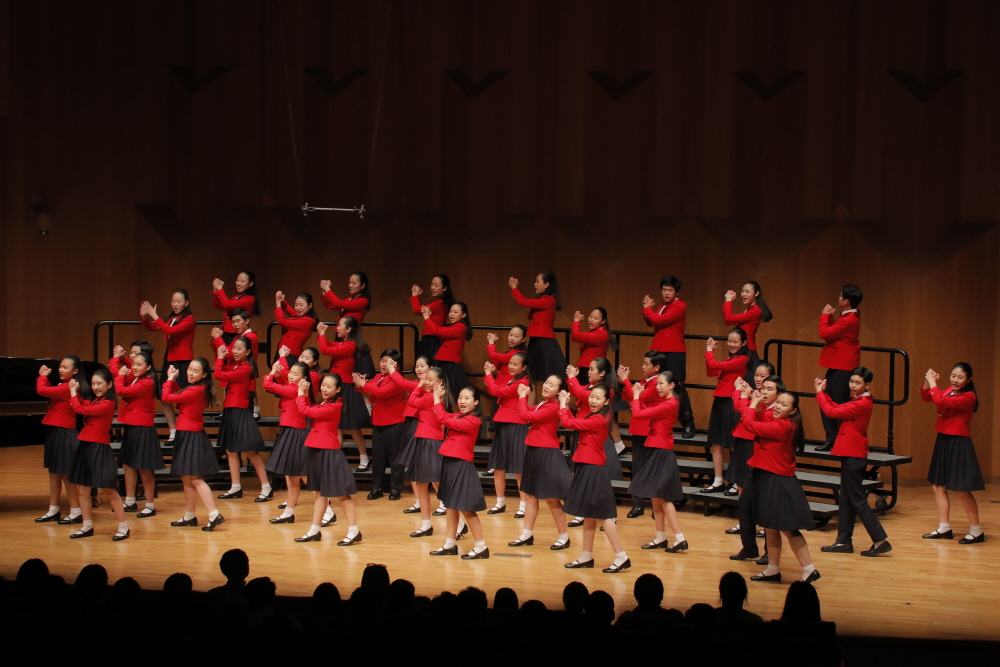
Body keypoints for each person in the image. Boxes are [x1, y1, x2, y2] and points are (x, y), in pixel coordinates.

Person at [740, 391, 821, 583]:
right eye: (778, 402)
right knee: (770, 527)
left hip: (777, 481)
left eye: (783, 405)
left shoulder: (783, 426)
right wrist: (748, 399)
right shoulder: (781, 421)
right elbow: (759, 417)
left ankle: (809, 569)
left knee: (788, 529)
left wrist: (753, 404)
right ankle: (772, 569)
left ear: (793, 410)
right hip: (767, 477)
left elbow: (750, 425)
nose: (777, 406)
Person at [815, 367, 890, 556]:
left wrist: (819, 394)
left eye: (857, 382)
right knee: (847, 499)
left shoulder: (862, 403)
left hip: (854, 454)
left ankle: (880, 540)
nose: (853, 385)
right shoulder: (857, 399)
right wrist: (825, 394)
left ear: (867, 385)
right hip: (851, 453)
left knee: (856, 498)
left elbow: (831, 411)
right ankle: (843, 541)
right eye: (851, 381)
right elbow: (837, 408)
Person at [558, 386, 630, 573]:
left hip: (593, 469)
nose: (592, 401)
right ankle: (586, 556)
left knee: (603, 516)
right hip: (587, 466)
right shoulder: (597, 416)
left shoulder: (599, 419)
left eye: (598, 398)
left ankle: (621, 556)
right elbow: (575, 421)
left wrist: (563, 404)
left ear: (606, 402)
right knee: (588, 514)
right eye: (591, 397)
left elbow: (568, 423)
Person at [920, 363, 986, 544]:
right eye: (953, 376)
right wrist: (928, 381)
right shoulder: (950, 390)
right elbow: (927, 397)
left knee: (962, 489)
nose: (955, 380)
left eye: (960, 377)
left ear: (968, 380)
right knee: (938, 485)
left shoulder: (969, 396)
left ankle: (976, 531)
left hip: (959, 441)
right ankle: (944, 528)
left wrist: (933, 383)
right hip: (944, 438)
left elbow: (940, 401)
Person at [293, 373, 361, 545]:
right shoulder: (325, 402)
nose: (324, 389)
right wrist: (304, 393)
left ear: (338, 390)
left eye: (329, 386)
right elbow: (308, 409)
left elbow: (305, 410)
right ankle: (314, 530)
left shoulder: (335, 405)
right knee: (320, 494)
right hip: (317, 450)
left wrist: (301, 392)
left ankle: (354, 531)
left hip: (329, 452)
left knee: (342, 494)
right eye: (323, 385)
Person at [161, 358, 226, 531]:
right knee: (186, 477)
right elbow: (180, 395)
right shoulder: (196, 388)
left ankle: (213, 514)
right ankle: (190, 515)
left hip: (191, 434)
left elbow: (166, 397)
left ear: (204, 375)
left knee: (195, 478)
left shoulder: (196, 390)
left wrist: (169, 379)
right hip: (187, 433)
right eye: (190, 369)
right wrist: (174, 381)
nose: (190, 373)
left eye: (195, 371)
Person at [628, 371, 689, 552]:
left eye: (661, 383)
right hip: (656, 447)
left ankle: (679, 538)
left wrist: (636, 396)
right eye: (657, 383)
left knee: (663, 498)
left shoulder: (671, 403)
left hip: (661, 451)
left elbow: (638, 414)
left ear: (671, 385)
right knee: (655, 495)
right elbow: (645, 411)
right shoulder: (667, 402)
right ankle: (660, 537)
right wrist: (639, 397)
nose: (657, 387)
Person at [66, 368, 129, 540]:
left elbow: (80, 410)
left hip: (99, 448)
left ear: (109, 385)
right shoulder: (97, 400)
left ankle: (123, 527)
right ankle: (87, 526)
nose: (95, 387)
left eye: (99, 383)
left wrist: (72, 393)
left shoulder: (108, 402)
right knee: (82, 488)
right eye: (93, 383)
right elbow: (85, 405)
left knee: (109, 490)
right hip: (86, 445)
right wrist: (76, 392)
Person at [429, 385, 490, 559]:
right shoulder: (459, 416)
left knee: (466, 509)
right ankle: (450, 544)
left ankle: (481, 547)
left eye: (467, 398)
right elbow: (441, 415)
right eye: (460, 397)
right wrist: (440, 398)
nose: (462, 401)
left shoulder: (473, 421)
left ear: (476, 402)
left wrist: (436, 397)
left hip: (461, 465)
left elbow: (442, 417)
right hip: (450, 463)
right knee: (450, 505)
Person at [511, 377, 572, 549]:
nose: (546, 386)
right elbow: (523, 411)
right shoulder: (543, 404)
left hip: (547, 453)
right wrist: (522, 399)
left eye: (552, 385)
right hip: (534, 451)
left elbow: (525, 415)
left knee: (551, 499)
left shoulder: (554, 406)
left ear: (559, 391)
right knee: (530, 496)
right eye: (546, 383)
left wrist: (522, 396)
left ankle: (564, 537)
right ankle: (526, 534)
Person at [729, 374, 786, 561]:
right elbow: (745, 412)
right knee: (745, 504)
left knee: (767, 510)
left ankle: (770, 553)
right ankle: (749, 549)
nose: (764, 392)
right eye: (763, 388)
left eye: (770, 389)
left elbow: (749, 420)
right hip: (757, 464)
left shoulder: (775, 413)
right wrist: (744, 396)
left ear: (779, 394)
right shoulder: (764, 408)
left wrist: (747, 399)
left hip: (769, 467)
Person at [214, 337, 270, 501]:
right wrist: (221, 350)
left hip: (240, 410)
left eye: (239, 348)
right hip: (230, 409)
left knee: (249, 451)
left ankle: (266, 487)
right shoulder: (235, 365)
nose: (235, 351)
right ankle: (235, 487)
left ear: (248, 351)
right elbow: (224, 366)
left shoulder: (246, 368)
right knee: (230, 450)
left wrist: (219, 357)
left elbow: (218, 374)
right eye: (234, 348)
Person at [398, 367, 449, 536]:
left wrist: (418, 385)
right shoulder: (432, 396)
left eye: (430, 379)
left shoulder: (430, 397)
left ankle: (459, 523)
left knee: (437, 482)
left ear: (439, 382)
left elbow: (412, 400)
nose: (426, 382)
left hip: (431, 441)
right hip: (422, 439)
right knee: (421, 484)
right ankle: (426, 525)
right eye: (425, 379)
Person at [140, 290, 195, 444]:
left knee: (184, 396)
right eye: (173, 301)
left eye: (179, 301)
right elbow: (154, 327)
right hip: (169, 360)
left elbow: (170, 330)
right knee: (164, 396)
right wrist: (144, 317)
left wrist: (154, 315)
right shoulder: (171, 318)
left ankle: (185, 429)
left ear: (186, 303)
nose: (175, 304)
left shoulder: (189, 319)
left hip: (183, 361)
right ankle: (173, 431)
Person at [642, 276, 694, 438]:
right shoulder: (662, 306)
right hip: (659, 351)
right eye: (664, 289)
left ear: (676, 292)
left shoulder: (680, 306)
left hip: (674, 352)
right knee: (656, 386)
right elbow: (652, 323)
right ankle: (659, 422)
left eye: (670, 290)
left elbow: (658, 320)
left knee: (677, 387)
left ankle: (688, 423)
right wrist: (647, 310)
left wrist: (648, 309)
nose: (666, 293)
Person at [317, 316, 371, 471]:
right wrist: (322, 336)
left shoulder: (351, 345)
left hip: (346, 388)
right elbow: (328, 345)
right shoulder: (343, 343)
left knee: (352, 426)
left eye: (339, 325)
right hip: (336, 386)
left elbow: (325, 349)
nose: (336, 327)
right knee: (337, 426)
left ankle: (364, 458)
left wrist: (322, 334)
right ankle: (335, 460)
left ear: (348, 329)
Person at [34, 356, 83, 524]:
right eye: (60, 366)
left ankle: (76, 512)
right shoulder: (64, 386)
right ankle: (53, 510)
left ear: (75, 371)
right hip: (55, 431)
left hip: (65, 433)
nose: (61, 370)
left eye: (65, 367)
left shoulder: (69, 387)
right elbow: (49, 391)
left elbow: (42, 390)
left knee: (66, 474)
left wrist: (42, 376)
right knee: (54, 473)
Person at [619, 351, 667, 518]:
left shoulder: (656, 384)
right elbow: (629, 396)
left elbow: (638, 398)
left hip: (650, 431)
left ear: (657, 367)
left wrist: (625, 380)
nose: (643, 366)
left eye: (647, 364)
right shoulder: (644, 381)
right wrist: (624, 382)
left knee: (652, 469)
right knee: (638, 468)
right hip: (639, 429)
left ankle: (656, 507)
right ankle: (637, 505)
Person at [355, 349, 408, 500]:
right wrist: (360, 383)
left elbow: (381, 393)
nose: (384, 364)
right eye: (382, 360)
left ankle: (395, 488)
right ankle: (377, 487)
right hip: (378, 422)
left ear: (396, 365)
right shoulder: (379, 376)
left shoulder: (397, 379)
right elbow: (368, 389)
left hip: (395, 422)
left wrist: (364, 384)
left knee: (395, 458)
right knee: (378, 458)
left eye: (388, 362)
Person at [114, 351, 162, 517]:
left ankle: (150, 505)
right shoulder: (137, 378)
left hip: (143, 428)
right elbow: (116, 374)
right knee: (128, 464)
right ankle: (130, 501)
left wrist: (120, 375)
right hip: (132, 426)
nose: (134, 367)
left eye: (138, 365)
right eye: (133, 364)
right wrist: (118, 358)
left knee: (144, 468)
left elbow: (120, 390)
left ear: (148, 367)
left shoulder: (147, 383)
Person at [815, 285, 862, 451]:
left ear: (846, 301)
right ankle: (833, 438)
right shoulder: (849, 317)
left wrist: (824, 316)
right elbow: (832, 334)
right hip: (839, 365)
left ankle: (837, 439)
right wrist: (829, 318)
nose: (839, 298)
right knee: (827, 399)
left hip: (843, 366)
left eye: (841, 296)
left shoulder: (848, 320)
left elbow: (824, 334)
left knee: (837, 403)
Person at [483, 354, 531, 516]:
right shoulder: (513, 380)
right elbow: (497, 388)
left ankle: (523, 505)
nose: (511, 366)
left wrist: (488, 374)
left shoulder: (522, 382)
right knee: (498, 466)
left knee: (519, 468)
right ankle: (500, 502)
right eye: (510, 363)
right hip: (503, 423)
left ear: (524, 368)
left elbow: (495, 390)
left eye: (515, 364)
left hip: (516, 425)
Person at [264, 360, 311, 523]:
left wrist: (272, 372)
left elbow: (268, 385)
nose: (290, 375)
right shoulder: (295, 387)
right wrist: (282, 366)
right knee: (292, 476)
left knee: (303, 475)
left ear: (303, 378)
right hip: (290, 431)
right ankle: (288, 513)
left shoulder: (294, 389)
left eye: (295, 374)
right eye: (290, 372)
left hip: (296, 433)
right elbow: (284, 378)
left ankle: (327, 511)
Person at [702, 328, 749, 492]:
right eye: (729, 341)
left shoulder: (742, 359)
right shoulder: (730, 358)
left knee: (733, 444)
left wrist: (709, 351)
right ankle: (718, 480)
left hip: (731, 402)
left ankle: (736, 481)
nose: (732, 344)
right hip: (720, 400)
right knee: (716, 442)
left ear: (744, 343)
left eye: (735, 342)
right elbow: (711, 371)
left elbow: (714, 364)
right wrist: (710, 354)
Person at [509, 272, 567, 393]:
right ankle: (530, 405)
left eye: (537, 281)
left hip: (544, 340)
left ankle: (552, 402)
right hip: (536, 340)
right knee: (532, 376)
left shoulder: (548, 300)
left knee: (548, 375)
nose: (535, 284)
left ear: (546, 284)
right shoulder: (543, 300)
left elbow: (523, 302)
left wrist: (514, 288)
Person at [725, 362, 775, 499]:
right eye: (756, 375)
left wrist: (739, 393)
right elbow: (739, 407)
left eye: (762, 376)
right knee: (741, 482)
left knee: (749, 482)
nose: (758, 379)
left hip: (754, 440)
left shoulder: (767, 396)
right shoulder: (755, 393)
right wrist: (742, 392)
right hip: (744, 438)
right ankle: (743, 511)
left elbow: (742, 410)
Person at [420, 301, 472, 401]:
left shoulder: (460, 327)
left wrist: (426, 317)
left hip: (451, 364)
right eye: (450, 312)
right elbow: (438, 328)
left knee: (454, 394)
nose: (451, 314)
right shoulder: (455, 327)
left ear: (463, 315)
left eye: (455, 312)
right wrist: (429, 317)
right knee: (445, 393)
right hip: (445, 363)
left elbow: (437, 331)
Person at [722, 282, 773, 382]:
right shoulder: (750, 310)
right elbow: (728, 321)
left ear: (756, 293)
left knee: (750, 383)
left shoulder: (755, 311)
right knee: (741, 382)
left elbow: (728, 318)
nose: (743, 294)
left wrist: (728, 300)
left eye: (747, 291)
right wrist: (727, 302)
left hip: (748, 350)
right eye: (742, 291)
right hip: (743, 350)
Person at [411, 274, 455, 360]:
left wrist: (414, 295)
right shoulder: (441, 302)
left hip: (432, 338)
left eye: (436, 285)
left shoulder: (439, 304)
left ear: (444, 288)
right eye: (432, 285)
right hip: (432, 338)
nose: (432, 287)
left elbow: (417, 310)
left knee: (428, 363)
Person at [212, 271, 260, 345]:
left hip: (235, 333)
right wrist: (216, 290)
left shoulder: (250, 299)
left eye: (242, 281)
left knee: (228, 351)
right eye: (237, 280)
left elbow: (227, 305)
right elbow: (218, 306)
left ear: (250, 283)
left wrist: (220, 289)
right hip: (226, 332)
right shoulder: (237, 297)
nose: (239, 283)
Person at [273, 291, 319, 362]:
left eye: (301, 305)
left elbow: (281, 321)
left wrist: (278, 303)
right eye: (296, 305)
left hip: (291, 354)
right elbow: (287, 308)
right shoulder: (301, 316)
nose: (298, 308)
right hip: (283, 350)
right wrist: (281, 299)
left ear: (310, 306)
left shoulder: (308, 321)